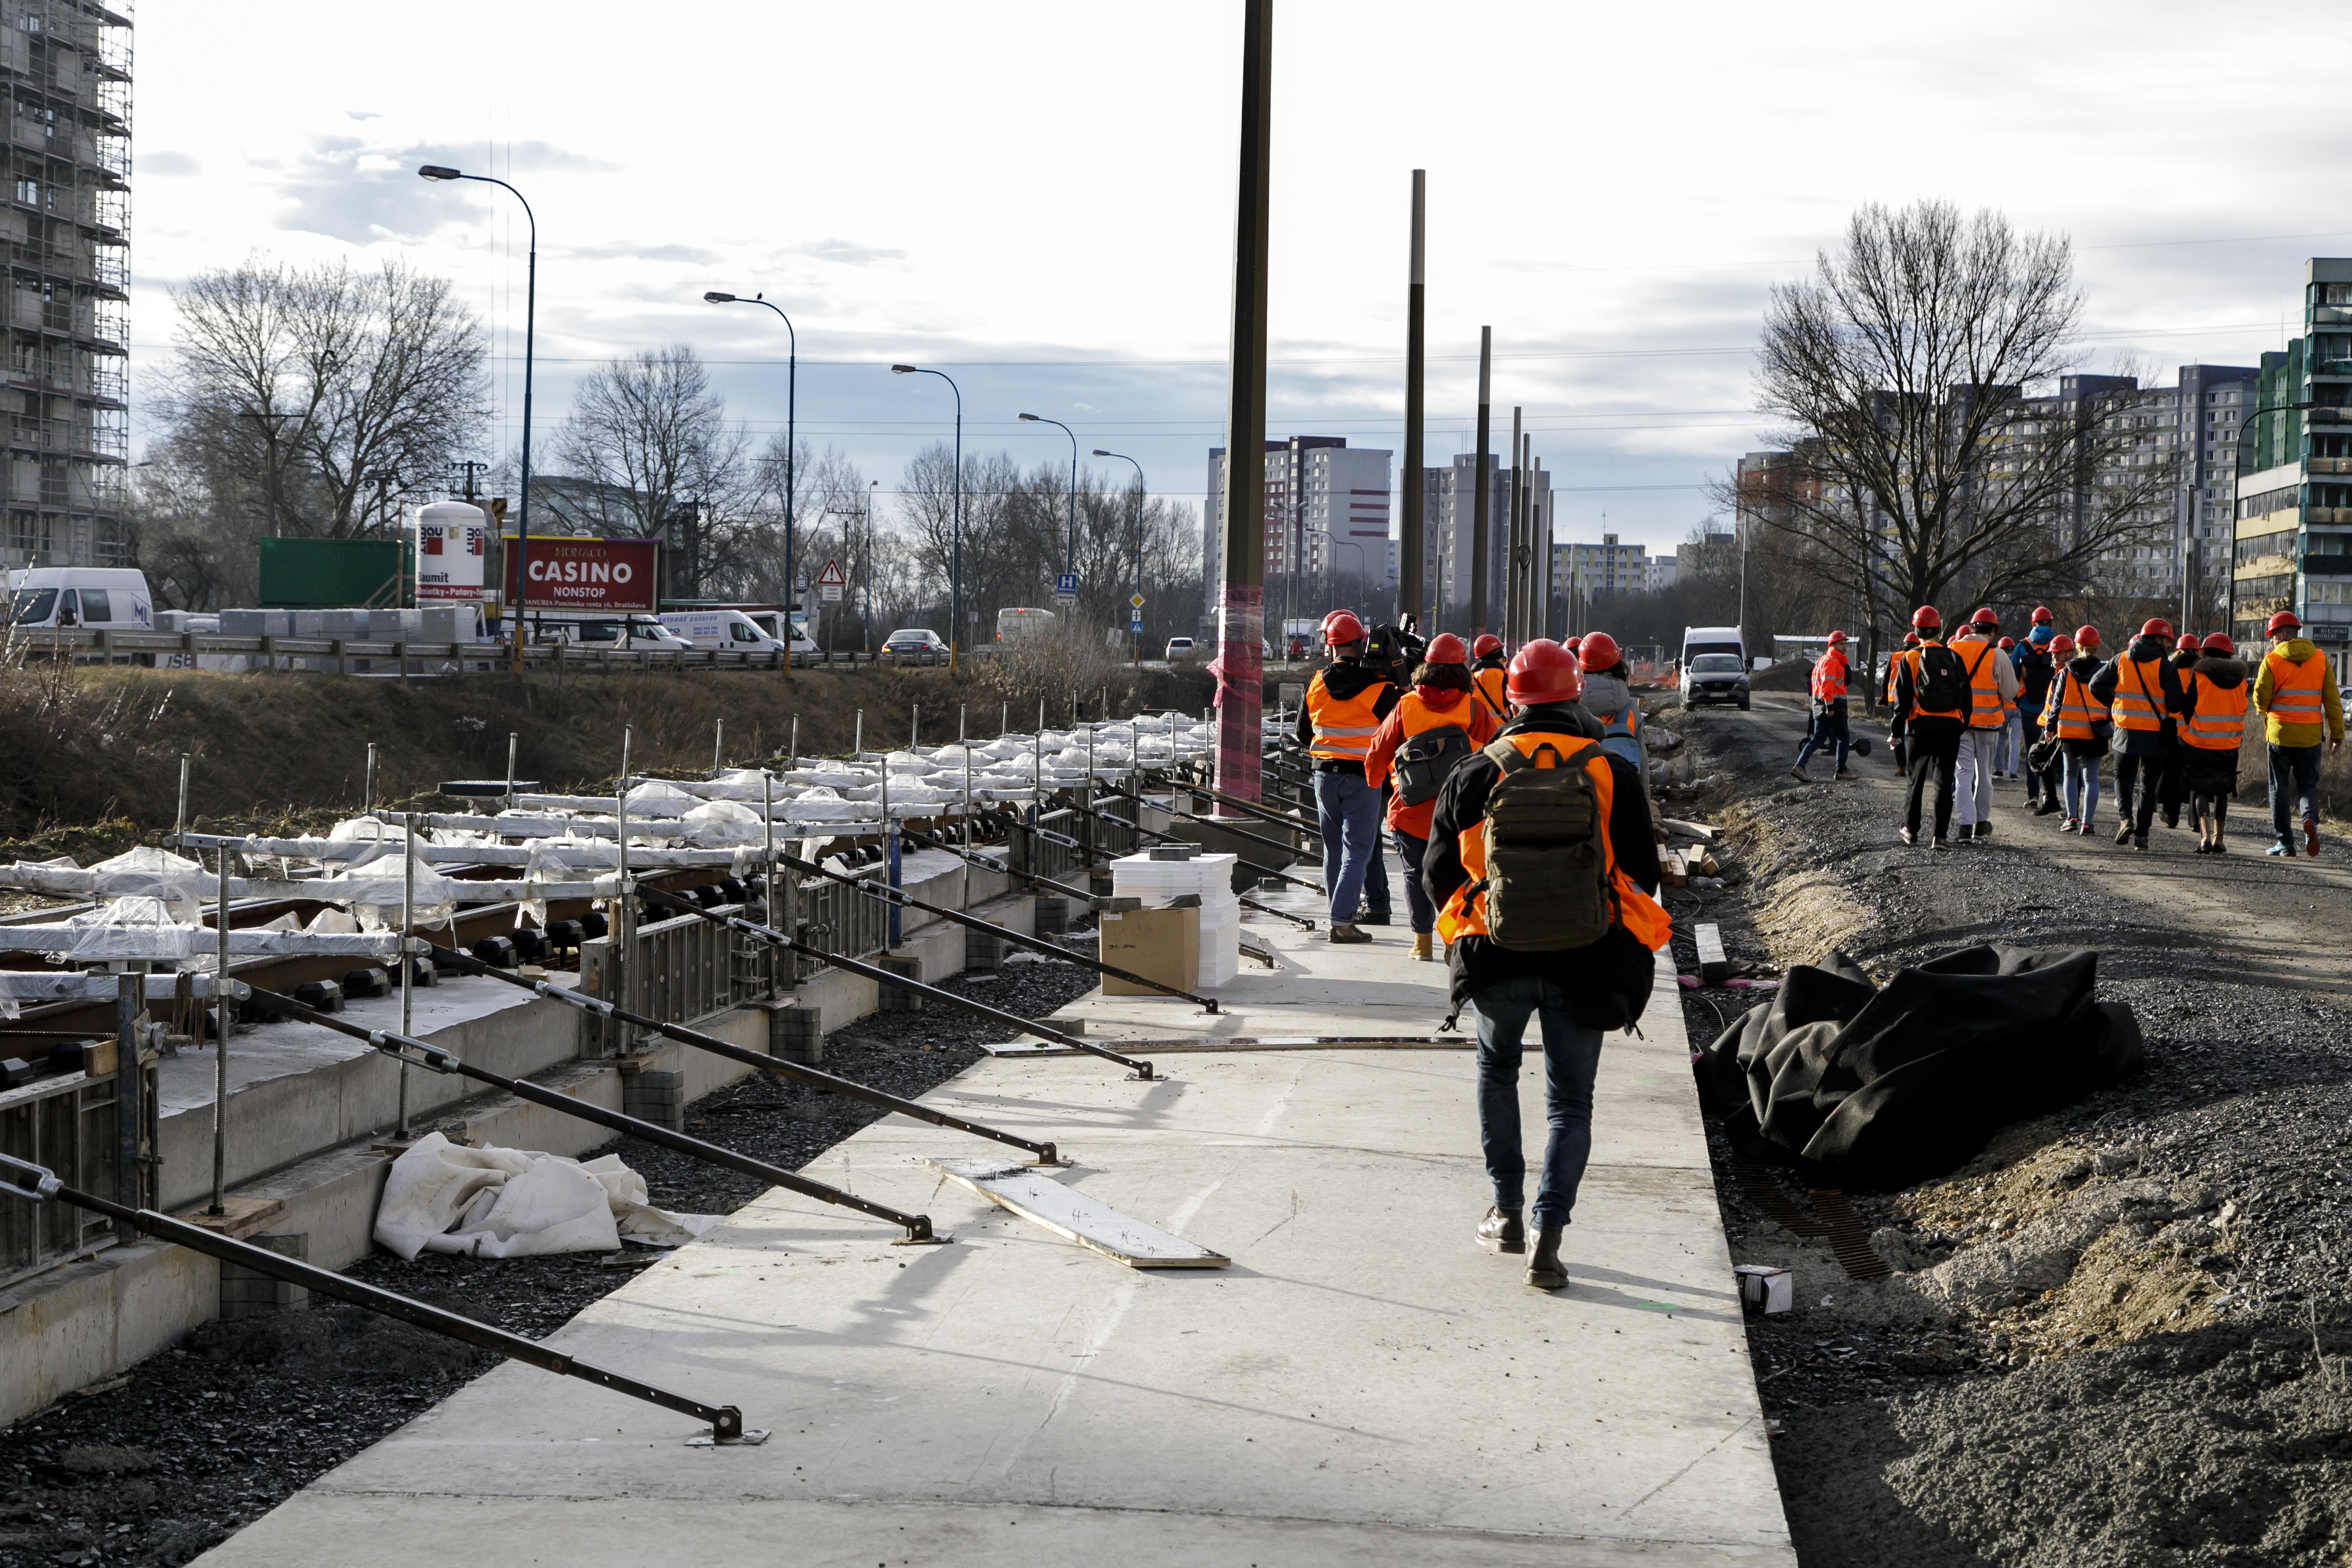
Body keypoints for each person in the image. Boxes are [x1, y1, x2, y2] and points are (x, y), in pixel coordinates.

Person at [1424, 639, 1667, 1291]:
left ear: (1513, 700)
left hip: (1496, 955)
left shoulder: (1476, 771)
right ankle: (1547, 1235)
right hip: (1586, 958)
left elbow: (1436, 873)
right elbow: (1643, 874)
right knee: (1570, 1103)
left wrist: (1476, 915)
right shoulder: (1610, 772)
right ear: (1575, 694)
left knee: (1497, 1071)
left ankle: (1505, 1213)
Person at [1364, 633, 1499, 963]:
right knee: (1461, 874)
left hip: (1412, 809)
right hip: (1461, 809)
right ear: (1463, 670)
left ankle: (1422, 942)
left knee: (1415, 874)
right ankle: (1454, 938)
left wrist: (1376, 783)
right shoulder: (1473, 708)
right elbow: (1497, 753)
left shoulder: (1407, 705)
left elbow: (1378, 750)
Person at [1297, 609, 1399, 941]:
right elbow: (1399, 734)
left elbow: (1303, 733)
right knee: (1358, 851)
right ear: (1362, 644)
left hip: (1324, 776)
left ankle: (1338, 915)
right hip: (1363, 778)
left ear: (1331, 647)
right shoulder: (1381, 688)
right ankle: (1341, 921)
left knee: (1333, 850)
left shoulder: (1316, 684)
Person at [2253, 609, 2345, 857]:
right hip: (2310, 737)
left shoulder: (2272, 661)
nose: (2272, 640)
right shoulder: (2320, 659)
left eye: (2273, 635)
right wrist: (2338, 735)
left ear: (2283, 635)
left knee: (2278, 788)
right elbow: (2332, 701)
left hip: (2280, 737)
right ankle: (2310, 820)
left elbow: (2260, 699)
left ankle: (2285, 843)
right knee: (2307, 786)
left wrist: (2263, 707)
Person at [2091, 617, 2187, 851]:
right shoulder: (2166, 666)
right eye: (2167, 640)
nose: (2169, 645)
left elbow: (2095, 685)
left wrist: (2115, 704)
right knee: (2148, 785)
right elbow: (2175, 705)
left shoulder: (2121, 659)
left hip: (2125, 731)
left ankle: (2126, 820)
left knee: (2122, 778)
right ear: (2158, 639)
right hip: (2155, 733)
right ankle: (2142, 836)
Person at [1891, 606, 1968, 850]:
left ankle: (1911, 830)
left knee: (1915, 780)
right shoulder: (1954, 657)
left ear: (1916, 630)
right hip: (1950, 727)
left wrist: (1896, 731)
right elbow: (1966, 697)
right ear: (1939, 630)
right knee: (1944, 783)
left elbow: (1902, 700)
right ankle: (1940, 837)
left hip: (1920, 727)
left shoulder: (1910, 658)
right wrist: (1961, 725)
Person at [1950, 608, 2019, 842]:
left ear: (1972, 628)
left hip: (1960, 724)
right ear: (1993, 632)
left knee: (1963, 775)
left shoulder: (1954, 650)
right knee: (1985, 777)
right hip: (1989, 726)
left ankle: (1964, 827)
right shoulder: (1997, 655)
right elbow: (2010, 692)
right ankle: (1981, 823)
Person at [2180, 632, 2249, 854]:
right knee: (2223, 790)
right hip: (2229, 744)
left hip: (2200, 743)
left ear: (2205, 653)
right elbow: (2244, 708)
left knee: (2200, 790)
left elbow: (2187, 708)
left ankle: (2205, 839)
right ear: (2230, 655)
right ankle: (2219, 840)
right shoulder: (2241, 682)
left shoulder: (2199, 677)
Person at [2042, 629, 2107, 836]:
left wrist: (2050, 728)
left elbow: (2057, 704)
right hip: (2096, 732)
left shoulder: (2067, 672)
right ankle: (2087, 824)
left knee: (2070, 774)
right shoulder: (2104, 671)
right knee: (2092, 778)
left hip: (2069, 732)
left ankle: (2072, 818)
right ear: (2096, 646)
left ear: (2077, 647)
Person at [1576, 632, 1651, 790]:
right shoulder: (1630, 708)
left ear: (1581, 666)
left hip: (1584, 796)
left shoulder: (1573, 708)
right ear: (1618, 666)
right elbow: (1643, 766)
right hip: (1623, 794)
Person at [1792, 630, 1855, 780]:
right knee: (1844, 738)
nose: (1844, 647)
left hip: (1820, 707)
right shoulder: (1832, 662)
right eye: (1841, 644)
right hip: (1834, 707)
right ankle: (1841, 770)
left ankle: (1799, 766)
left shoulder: (1822, 660)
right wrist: (1830, 707)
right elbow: (1827, 686)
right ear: (1833, 645)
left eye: (1845, 644)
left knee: (1818, 739)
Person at [2016, 620, 2061, 814]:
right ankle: (2049, 795)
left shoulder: (2023, 647)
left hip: (2028, 707)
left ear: (2033, 622)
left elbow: (2014, 673)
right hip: (2050, 709)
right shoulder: (2057, 644)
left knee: (2032, 751)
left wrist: (2018, 699)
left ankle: (2032, 796)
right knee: (2051, 752)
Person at [1886, 630, 1919, 771]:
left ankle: (1901, 767)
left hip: (1894, 700)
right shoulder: (1918, 657)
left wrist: (1886, 699)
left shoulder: (1895, 656)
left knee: (1897, 733)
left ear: (1905, 643)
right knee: (1913, 734)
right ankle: (1915, 766)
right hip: (1914, 702)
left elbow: (1886, 680)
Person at [1470, 633, 1510, 722]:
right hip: (1504, 729)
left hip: (1479, 729)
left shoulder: (1472, 678)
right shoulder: (1508, 677)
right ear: (1500, 654)